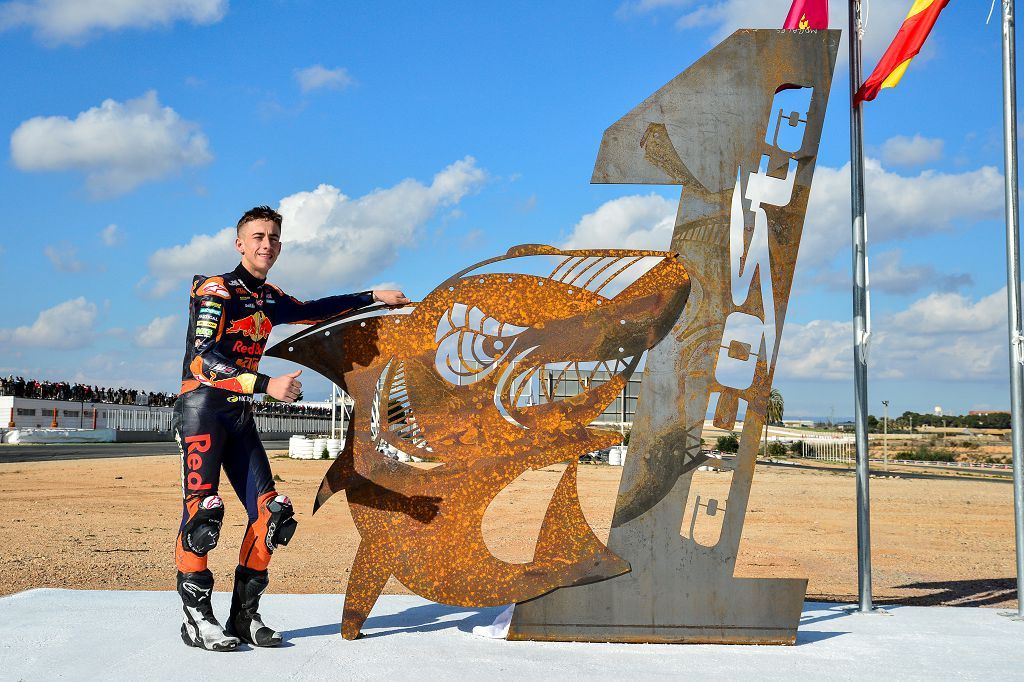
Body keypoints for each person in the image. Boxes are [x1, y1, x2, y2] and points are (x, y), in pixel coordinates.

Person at [173, 205, 409, 651]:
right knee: (203, 513)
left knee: (272, 514)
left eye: (274, 238)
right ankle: (196, 620)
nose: (267, 245)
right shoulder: (215, 290)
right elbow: (201, 361)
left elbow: (313, 310)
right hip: (202, 410)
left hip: (239, 413)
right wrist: (266, 384)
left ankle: (243, 618)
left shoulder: (270, 296)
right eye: (258, 237)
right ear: (239, 242)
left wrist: (372, 296)